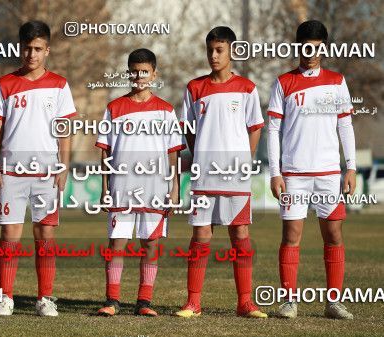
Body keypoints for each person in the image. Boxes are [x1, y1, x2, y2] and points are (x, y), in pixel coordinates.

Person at [175, 26, 267, 318]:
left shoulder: (247, 88)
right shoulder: (194, 88)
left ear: (232, 52)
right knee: (201, 234)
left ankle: (245, 302)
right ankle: (193, 302)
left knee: (239, 232)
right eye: (210, 50)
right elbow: (188, 130)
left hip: (235, 175)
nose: (214, 56)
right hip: (205, 174)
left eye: (219, 50)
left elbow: (255, 128)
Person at [267, 20, 356, 319]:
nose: (310, 51)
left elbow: (345, 125)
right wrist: (275, 172)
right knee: (291, 235)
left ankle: (333, 302)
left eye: (316, 46)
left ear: (323, 48)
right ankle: (289, 301)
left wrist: (351, 167)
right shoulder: (283, 83)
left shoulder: (337, 81)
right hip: (294, 174)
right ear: (298, 46)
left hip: (330, 173)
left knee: (333, 234)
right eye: (305, 45)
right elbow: (273, 129)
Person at [0, 20, 77, 317]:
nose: (32, 54)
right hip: (11, 172)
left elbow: (65, 128)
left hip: (46, 173)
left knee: (45, 235)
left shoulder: (60, 85)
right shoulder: (4, 84)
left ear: (47, 50)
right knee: (10, 236)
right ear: (19, 48)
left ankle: (45, 298)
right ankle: (6, 297)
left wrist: (63, 165)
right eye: (27, 48)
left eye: (38, 49)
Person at [95, 48, 185, 316]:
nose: (139, 76)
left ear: (154, 74)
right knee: (117, 243)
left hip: (155, 189)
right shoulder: (114, 108)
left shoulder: (166, 111)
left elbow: (174, 153)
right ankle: (112, 300)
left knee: (151, 244)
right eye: (134, 72)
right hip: (121, 188)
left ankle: (144, 301)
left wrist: (176, 187)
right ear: (128, 73)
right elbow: (105, 152)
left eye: (144, 72)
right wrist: (104, 189)